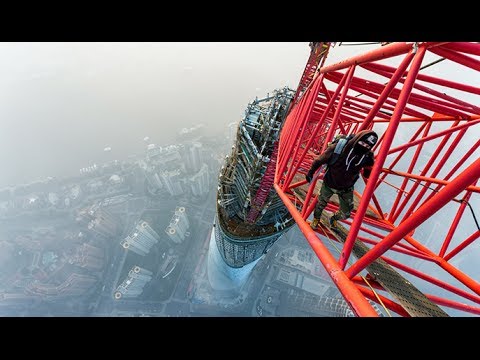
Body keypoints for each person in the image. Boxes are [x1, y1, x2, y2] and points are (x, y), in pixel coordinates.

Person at [305, 129, 378, 229]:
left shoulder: (367, 156)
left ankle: (334, 218)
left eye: (367, 146)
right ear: (357, 140)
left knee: (346, 213)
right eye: (362, 143)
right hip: (329, 183)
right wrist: (310, 172)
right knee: (320, 204)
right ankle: (316, 219)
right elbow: (320, 160)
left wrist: (368, 171)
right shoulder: (340, 147)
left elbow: (368, 170)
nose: (364, 147)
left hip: (346, 188)